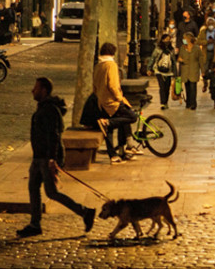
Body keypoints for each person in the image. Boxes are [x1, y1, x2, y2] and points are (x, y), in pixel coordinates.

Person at [16, 77, 96, 238]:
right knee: (33, 189)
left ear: (44, 90)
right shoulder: (45, 108)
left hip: (46, 158)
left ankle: (85, 212)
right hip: (38, 157)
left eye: (36, 88)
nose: (33, 90)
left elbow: (54, 136)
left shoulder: (50, 110)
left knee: (51, 193)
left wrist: (52, 159)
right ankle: (35, 223)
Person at [94, 43, 139, 164]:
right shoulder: (111, 65)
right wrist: (119, 98)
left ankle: (116, 154)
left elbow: (94, 86)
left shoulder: (98, 66)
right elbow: (113, 85)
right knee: (131, 116)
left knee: (113, 127)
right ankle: (124, 145)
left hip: (101, 101)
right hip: (112, 102)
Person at [177, 32, 204, 110]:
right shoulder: (182, 48)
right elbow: (179, 57)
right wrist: (180, 59)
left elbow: (201, 60)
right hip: (185, 71)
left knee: (193, 88)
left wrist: (203, 71)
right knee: (187, 88)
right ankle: (188, 103)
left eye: (185, 38)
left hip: (193, 70)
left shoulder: (197, 48)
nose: (183, 40)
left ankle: (193, 103)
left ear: (189, 39)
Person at [150, 33, 177, 109]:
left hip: (169, 72)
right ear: (162, 40)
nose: (167, 41)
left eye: (169, 39)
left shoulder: (171, 50)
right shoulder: (158, 49)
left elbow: (174, 62)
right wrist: (149, 68)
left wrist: (175, 73)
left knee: (167, 87)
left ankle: (166, 102)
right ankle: (162, 103)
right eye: (166, 39)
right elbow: (153, 58)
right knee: (162, 87)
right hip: (159, 71)